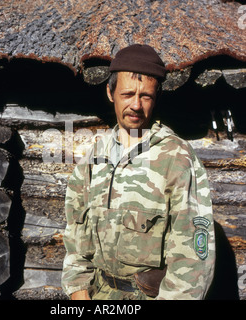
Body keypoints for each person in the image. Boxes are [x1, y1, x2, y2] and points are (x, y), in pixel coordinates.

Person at [61, 44, 216, 300]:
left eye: (146, 96)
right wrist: (79, 292)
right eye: (127, 93)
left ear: (156, 98)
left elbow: (193, 260)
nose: (135, 105)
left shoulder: (177, 158)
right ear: (110, 93)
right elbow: (75, 233)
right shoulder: (94, 157)